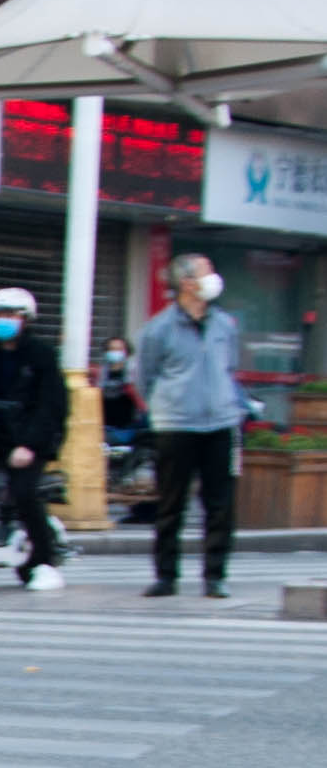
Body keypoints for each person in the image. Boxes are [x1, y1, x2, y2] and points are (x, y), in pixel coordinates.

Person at [136, 252, 247, 600]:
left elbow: (229, 368)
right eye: (207, 271)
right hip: (176, 426)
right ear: (187, 283)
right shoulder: (158, 329)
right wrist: (165, 409)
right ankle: (165, 576)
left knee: (221, 504)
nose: (214, 277)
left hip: (220, 424)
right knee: (171, 504)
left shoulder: (224, 325)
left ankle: (215, 576)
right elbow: (144, 378)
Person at [0, 286, 68, 591]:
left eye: (7, 315)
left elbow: (52, 407)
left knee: (24, 492)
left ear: (24, 319)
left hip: (30, 436)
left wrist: (29, 446)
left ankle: (45, 562)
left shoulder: (42, 356)